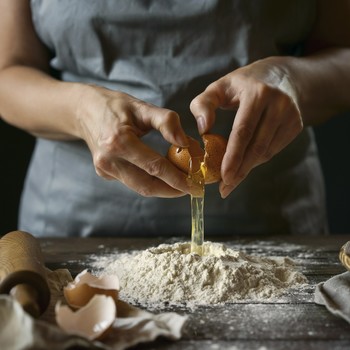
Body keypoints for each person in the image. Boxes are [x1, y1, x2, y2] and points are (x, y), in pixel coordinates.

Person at [0, 0, 349, 237]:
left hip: (270, 225)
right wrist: (80, 110)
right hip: (77, 231)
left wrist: (293, 81)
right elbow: (8, 72)